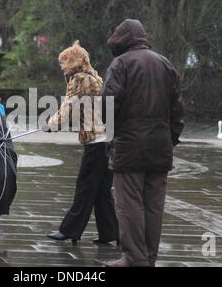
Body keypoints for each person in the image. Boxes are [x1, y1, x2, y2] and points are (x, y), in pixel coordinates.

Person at [101, 19, 185, 267]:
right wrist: (172, 138)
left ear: (121, 40)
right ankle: (149, 257)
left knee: (129, 205)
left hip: (129, 147)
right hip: (159, 148)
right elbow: (178, 108)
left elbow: (107, 107)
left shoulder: (121, 64)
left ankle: (134, 257)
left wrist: (111, 136)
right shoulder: (164, 63)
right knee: (154, 206)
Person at [43, 41, 119, 245]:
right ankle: (111, 232)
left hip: (96, 141)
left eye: (64, 62)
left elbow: (69, 107)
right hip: (107, 140)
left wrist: (51, 124)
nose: (62, 66)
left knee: (85, 187)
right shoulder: (95, 77)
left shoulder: (79, 79)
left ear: (73, 62)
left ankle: (69, 230)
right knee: (102, 191)